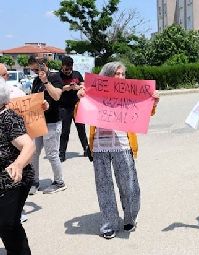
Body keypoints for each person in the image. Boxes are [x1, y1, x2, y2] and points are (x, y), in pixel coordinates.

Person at [78, 62, 160, 239]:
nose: (121, 77)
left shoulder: (129, 92)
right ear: (108, 75)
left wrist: (153, 101)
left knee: (129, 184)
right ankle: (109, 223)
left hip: (123, 145)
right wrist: (82, 98)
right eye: (117, 73)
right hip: (100, 147)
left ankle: (130, 218)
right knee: (104, 186)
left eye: (123, 74)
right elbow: (80, 113)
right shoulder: (95, 92)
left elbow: (145, 112)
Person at [0, 78, 37, 255]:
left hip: (14, 178)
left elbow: (29, 145)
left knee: (7, 222)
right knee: (4, 223)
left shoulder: (8, 117)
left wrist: (18, 164)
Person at [28, 57, 65, 195]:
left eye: (37, 69)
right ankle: (34, 181)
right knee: (33, 153)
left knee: (52, 154)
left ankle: (59, 182)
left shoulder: (55, 77)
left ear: (45, 65)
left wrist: (46, 81)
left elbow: (56, 96)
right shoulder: (35, 80)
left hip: (52, 122)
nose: (35, 72)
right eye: (33, 70)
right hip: (38, 122)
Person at [58, 56, 89, 162]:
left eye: (70, 69)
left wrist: (79, 87)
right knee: (64, 131)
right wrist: (68, 87)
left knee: (81, 129)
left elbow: (84, 84)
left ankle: (86, 149)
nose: (68, 71)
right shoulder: (57, 75)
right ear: (62, 66)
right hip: (64, 107)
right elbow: (57, 89)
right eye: (66, 69)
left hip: (77, 106)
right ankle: (61, 153)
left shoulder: (77, 74)